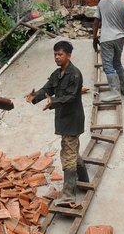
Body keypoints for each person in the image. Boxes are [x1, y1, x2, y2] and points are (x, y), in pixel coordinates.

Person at [25, 41, 88, 205]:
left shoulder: (75, 74)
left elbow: (71, 97)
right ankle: (85, 181)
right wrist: (35, 97)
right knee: (72, 150)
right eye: (55, 54)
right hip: (63, 119)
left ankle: (68, 195)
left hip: (73, 119)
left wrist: (53, 102)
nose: (57, 57)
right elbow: (47, 88)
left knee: (68, 154)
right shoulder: (57, 74)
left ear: (68, 55)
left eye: (60, 54)